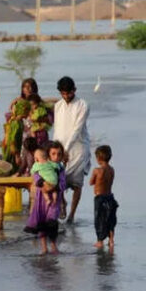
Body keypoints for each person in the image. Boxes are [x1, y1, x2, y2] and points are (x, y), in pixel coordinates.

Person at [52, 76, 91, 224]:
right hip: (60, 150)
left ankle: (72, 215)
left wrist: (66, 149)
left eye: (69, 93)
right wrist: (56, 149)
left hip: (78, 149)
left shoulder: (83, 105)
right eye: (63, 93)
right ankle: (62, 203)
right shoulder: (58, 106)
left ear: (74, 90)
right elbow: (57, 129)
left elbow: (77, 128)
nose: (66, 96)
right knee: (57, 180)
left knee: (76, 183)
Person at [24, 141, 67, 255]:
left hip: (54, 201)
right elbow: (35, 176)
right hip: (41, 200)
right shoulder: (41, 165)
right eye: (53, 154)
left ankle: (53, 246)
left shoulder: (60, 168)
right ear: (48, 154)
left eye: (59, 154)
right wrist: (43, 184)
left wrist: (56, 187)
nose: (56, 157)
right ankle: (44, 248)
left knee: (52, 222)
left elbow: (63, 183)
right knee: (41, 222)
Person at [3, 79, 37, 171]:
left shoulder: (37, 102)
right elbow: (11, 115)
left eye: (31, 87)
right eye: (25, 87)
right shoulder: (18, 102)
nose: (28, 89)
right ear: (22, 89)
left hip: (31, 138)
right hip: (20, 136)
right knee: (19, 161)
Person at [89, 145, 118, 251]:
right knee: (110, 219)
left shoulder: (97, 170)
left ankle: (100, 241)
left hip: (100, 197)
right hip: (110, 196)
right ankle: (111, 240)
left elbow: (91, 182)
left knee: (100, 219)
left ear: (98, 158)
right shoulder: (112, 170)